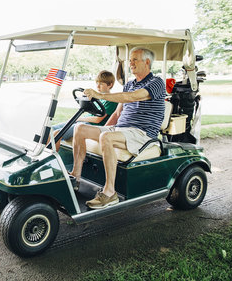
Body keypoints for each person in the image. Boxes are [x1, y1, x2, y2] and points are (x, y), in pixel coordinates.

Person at [71, 47, 166, 209]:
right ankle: (75, 177)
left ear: (147, 62)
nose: (131, 63)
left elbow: (133, 97)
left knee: (106, 138)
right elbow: (117, 113)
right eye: (130, 60)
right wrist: (103, 130)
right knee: (80, 128)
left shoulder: (156, 83)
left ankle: (109, 193)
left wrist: (100, 95)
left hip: (142, 133)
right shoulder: (129, 84)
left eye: (135, 59)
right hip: (121, 129)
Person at [51, 70, 118, 151]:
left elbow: (97, 119)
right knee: (50, 129)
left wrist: (78, 119)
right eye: (97, 83)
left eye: (101, 84)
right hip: (83, 122)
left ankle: (52, 160)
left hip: (91, 126)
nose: (98, 86)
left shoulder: (111, 101)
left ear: (110, 85)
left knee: (57, 134)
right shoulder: (97, 98)